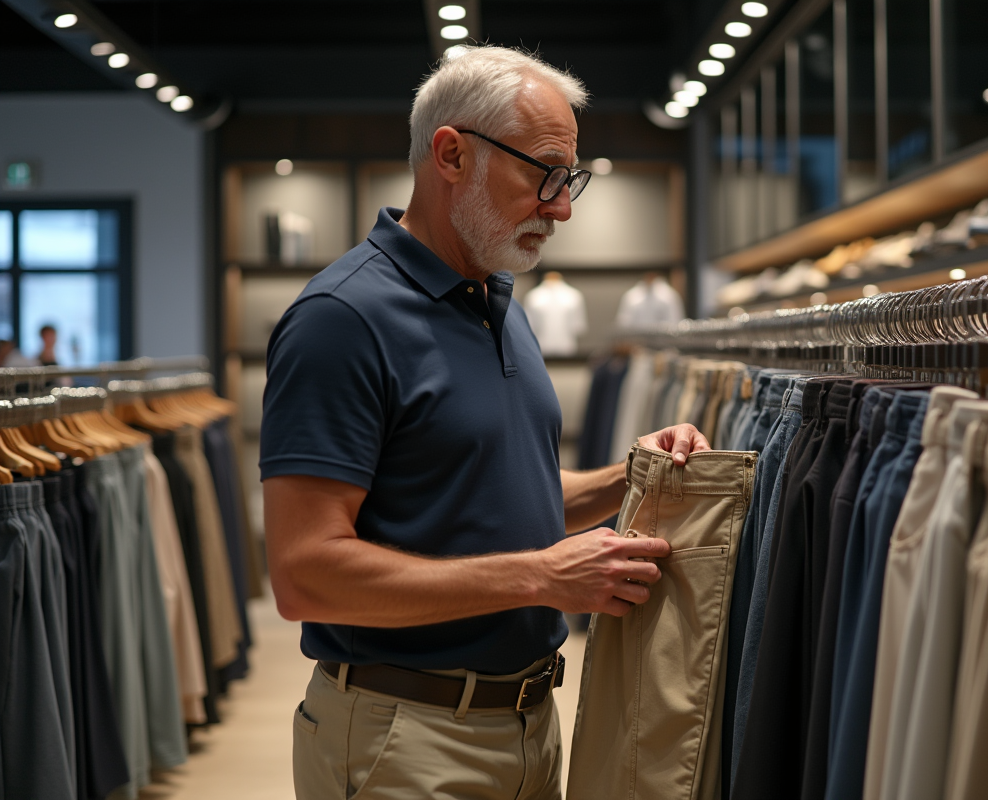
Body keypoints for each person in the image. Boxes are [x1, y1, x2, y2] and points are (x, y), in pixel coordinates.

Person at [260, 45, 708, 800]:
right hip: (405, 739)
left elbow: (486, 497)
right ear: (451, 154)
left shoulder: (499, 300)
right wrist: (542, 575)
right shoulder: (340, 320)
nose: (562, 207)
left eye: (571, 181)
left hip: (530, 727)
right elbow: (306, 575)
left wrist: (629, 476)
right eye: (544, 174)